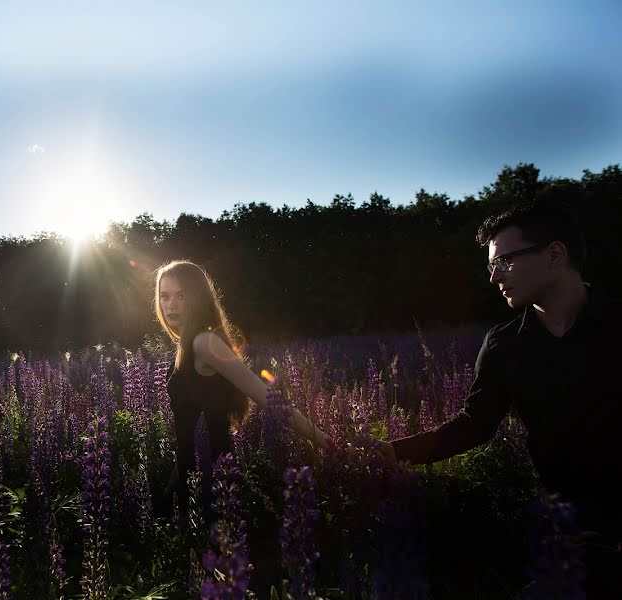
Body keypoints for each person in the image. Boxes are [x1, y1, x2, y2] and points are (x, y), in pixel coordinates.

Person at [376, 200, 621, 597]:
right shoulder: (504, 344)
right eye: (491, 265)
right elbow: (475, 425)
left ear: (555, 255)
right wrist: (391, 451)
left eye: (504, 261)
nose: (494, 277)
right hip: (571, 530)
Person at [154, 260, 328, 512]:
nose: (171, 305)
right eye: (164, 296)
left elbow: (269, 398)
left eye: (181, 296)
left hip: (214, 476)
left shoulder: (204, 343)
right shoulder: (185, 344)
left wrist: (330, 445)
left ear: (198, 298)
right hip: (186, 471)